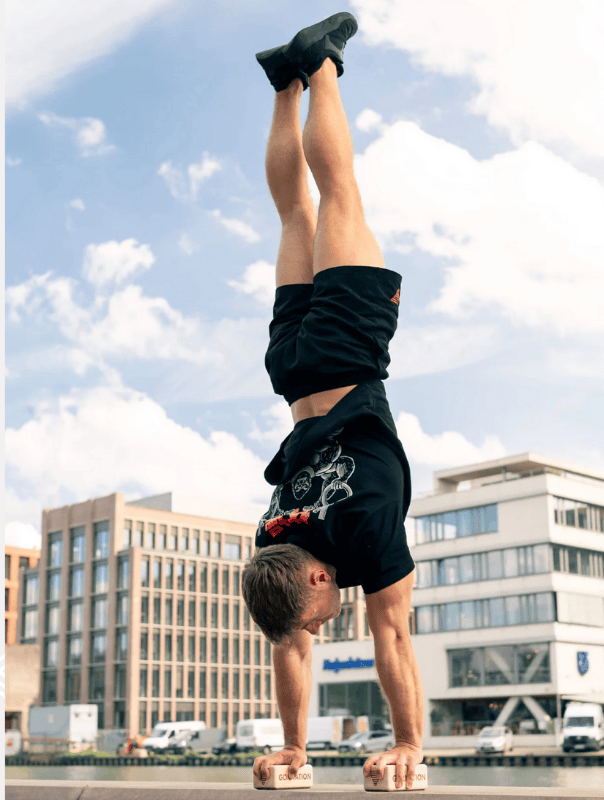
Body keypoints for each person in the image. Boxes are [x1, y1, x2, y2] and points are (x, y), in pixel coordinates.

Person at [240, 12, 423, 791]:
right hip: (290, 371)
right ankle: (284, 84)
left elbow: (394, 637)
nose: (321, 625)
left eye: (318, 615)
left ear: (318, 581)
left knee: (337, 191)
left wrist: (409, 743)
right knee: (294, 216)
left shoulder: (364, 530)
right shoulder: (275, 539)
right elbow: (289, 641)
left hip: (347, 353)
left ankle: (320, 69)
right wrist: (294, 748)